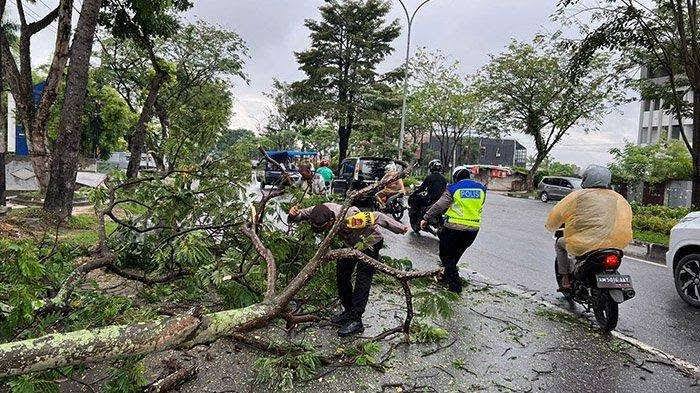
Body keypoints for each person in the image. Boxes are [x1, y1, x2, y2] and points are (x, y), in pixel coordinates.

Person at [288, 202, 409, 336]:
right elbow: (301, 214)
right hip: (350, 243)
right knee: (342, 274)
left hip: (369, 241)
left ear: (332, 220)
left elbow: (378, 216)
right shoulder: (317, 210)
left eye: (326, 228)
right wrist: (294, 214)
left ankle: (356, 320)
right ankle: (348, 311)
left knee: (363, 279)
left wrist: (400, 228)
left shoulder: (352, 219)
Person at [545, 165, 633, 290]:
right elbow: (626, 218)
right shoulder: (618, 198)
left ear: (587, 179)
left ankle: (565, 278)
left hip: (585, 244)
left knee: (559, 243)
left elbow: (557, 215)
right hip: (613, 243)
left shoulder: (578, 196)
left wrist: (553, 225)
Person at [421, 166, 486, 293]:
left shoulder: (453, 188)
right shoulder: (481, 189)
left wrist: (426, 217)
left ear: (456, 177)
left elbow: (440, 205)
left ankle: (455, 287)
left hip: (453, 228)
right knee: (455, 256)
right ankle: (445, 276)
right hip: (473, 230)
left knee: (446, 256)